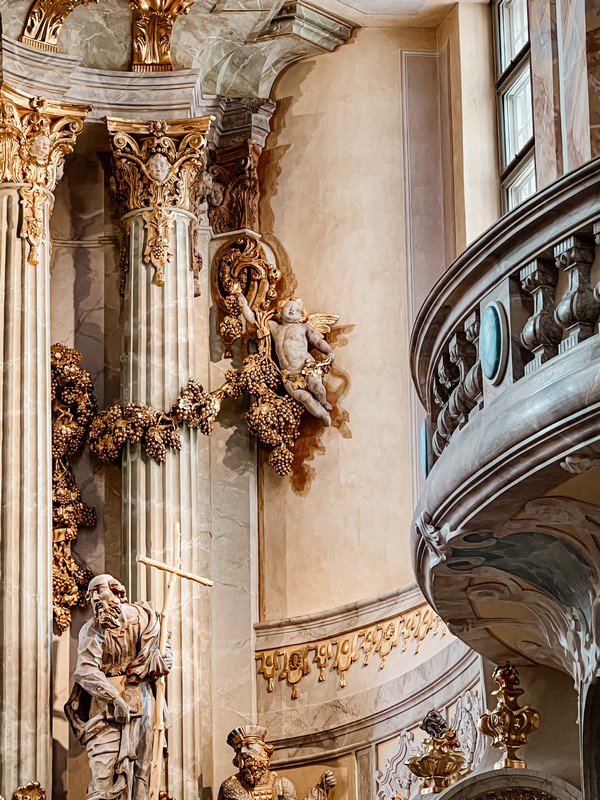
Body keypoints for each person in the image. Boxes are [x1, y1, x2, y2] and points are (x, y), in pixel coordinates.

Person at [65, 574, 172, 800]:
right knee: (103, 771)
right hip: (104, 707)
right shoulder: (92, 629)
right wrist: (114, 698)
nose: (96, 603)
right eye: (93, 601)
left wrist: (161, 660)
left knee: (143, 770)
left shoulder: (145, 618)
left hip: (143, 701)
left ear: (118, 594)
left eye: (99, 596)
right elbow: (85, 670)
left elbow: (162, 652)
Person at [237, 294, 335, 425]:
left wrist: (329, 352)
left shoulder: (303, 327)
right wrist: (244, 306)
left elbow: (317, 341)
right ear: (281, 310)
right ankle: (323, 415)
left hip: (306, 366)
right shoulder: (274, 327)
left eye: (297, 310)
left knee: (318, 388)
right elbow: (254, 320)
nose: (292, 310)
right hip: (288, 375)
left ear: (301, 316)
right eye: (289, 307)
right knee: (304, 398)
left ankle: (323, 402)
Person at [218, 725, 336, 800]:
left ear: (264, 750)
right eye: (238, 750)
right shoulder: (231, 786)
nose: (243, 752)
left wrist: (321, 789)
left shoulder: (281, 785)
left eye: (249, 746)